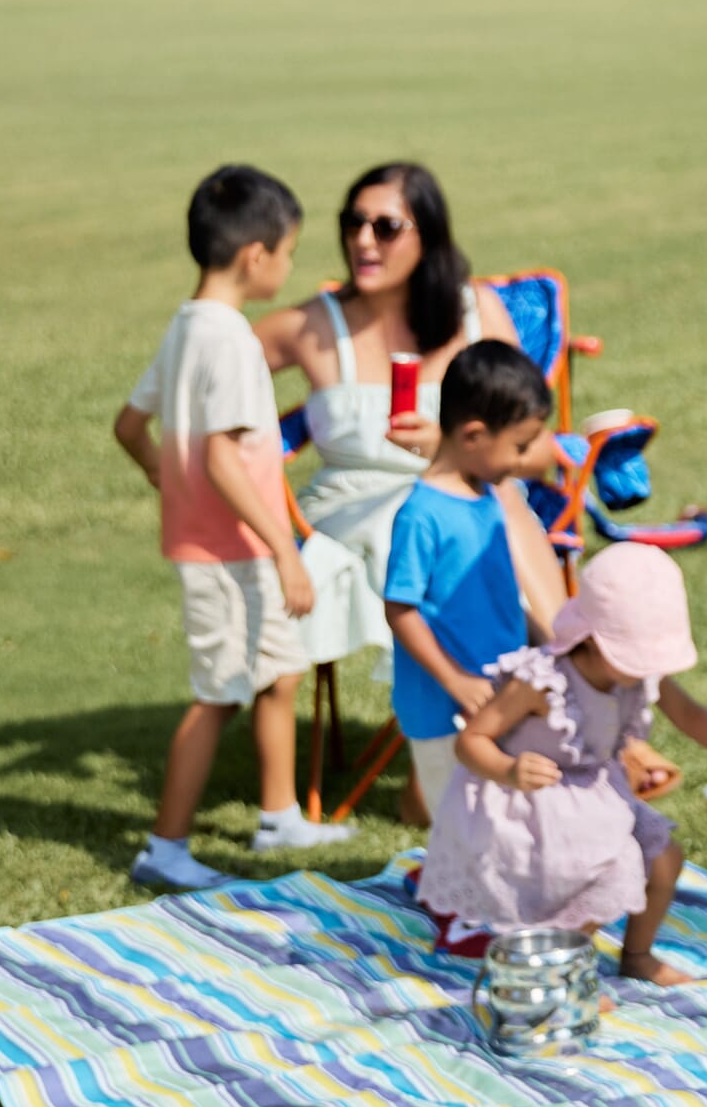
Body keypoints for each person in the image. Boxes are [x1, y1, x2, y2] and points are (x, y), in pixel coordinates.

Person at [253, 161, 676, 812]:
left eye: (386, 226)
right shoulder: (314, 324)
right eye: (353, 224)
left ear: (429, 236)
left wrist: (446, 449)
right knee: (475, 509)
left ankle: (554, 707)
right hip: (349, 513)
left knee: (492, 500)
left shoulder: (476, 315)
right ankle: (577, 701)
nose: (365, 240)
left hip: (470, 492)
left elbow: (530, 447)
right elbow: (206, 370)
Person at [114, 165, 355, 892]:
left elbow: (130, 427)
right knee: (219, 692)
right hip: (229, 554)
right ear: (257, 256)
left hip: (238, 539)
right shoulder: (233, 343)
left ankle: (279, 814)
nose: (289, 264)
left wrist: (164, 473)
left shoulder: (187, 326)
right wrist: (285, 550)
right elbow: (223, 457)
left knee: (277, 671)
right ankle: (165, 847)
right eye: (288, 251)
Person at [417, 543, 707, 985]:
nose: (646, 671)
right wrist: (509, 770)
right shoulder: (542, 682)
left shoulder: (639, 675)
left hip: (595, 797)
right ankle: (557, 973)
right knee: (615, 867)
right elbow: (472, 740)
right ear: (590, 639)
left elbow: (689, 715)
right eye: (635, 656)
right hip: (531, 807)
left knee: (665, 859)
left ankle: (638, 957)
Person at [382, 342, 560, 814]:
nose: (522, 461)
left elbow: (498, 591)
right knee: (458, 830)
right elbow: (400, 609)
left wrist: (544, 640)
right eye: (518, 447)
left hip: (497, 700)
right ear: (475, 435)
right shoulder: (422, 515)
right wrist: (455, 679)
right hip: (444, 709)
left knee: (502, 825)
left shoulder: (487, 498)